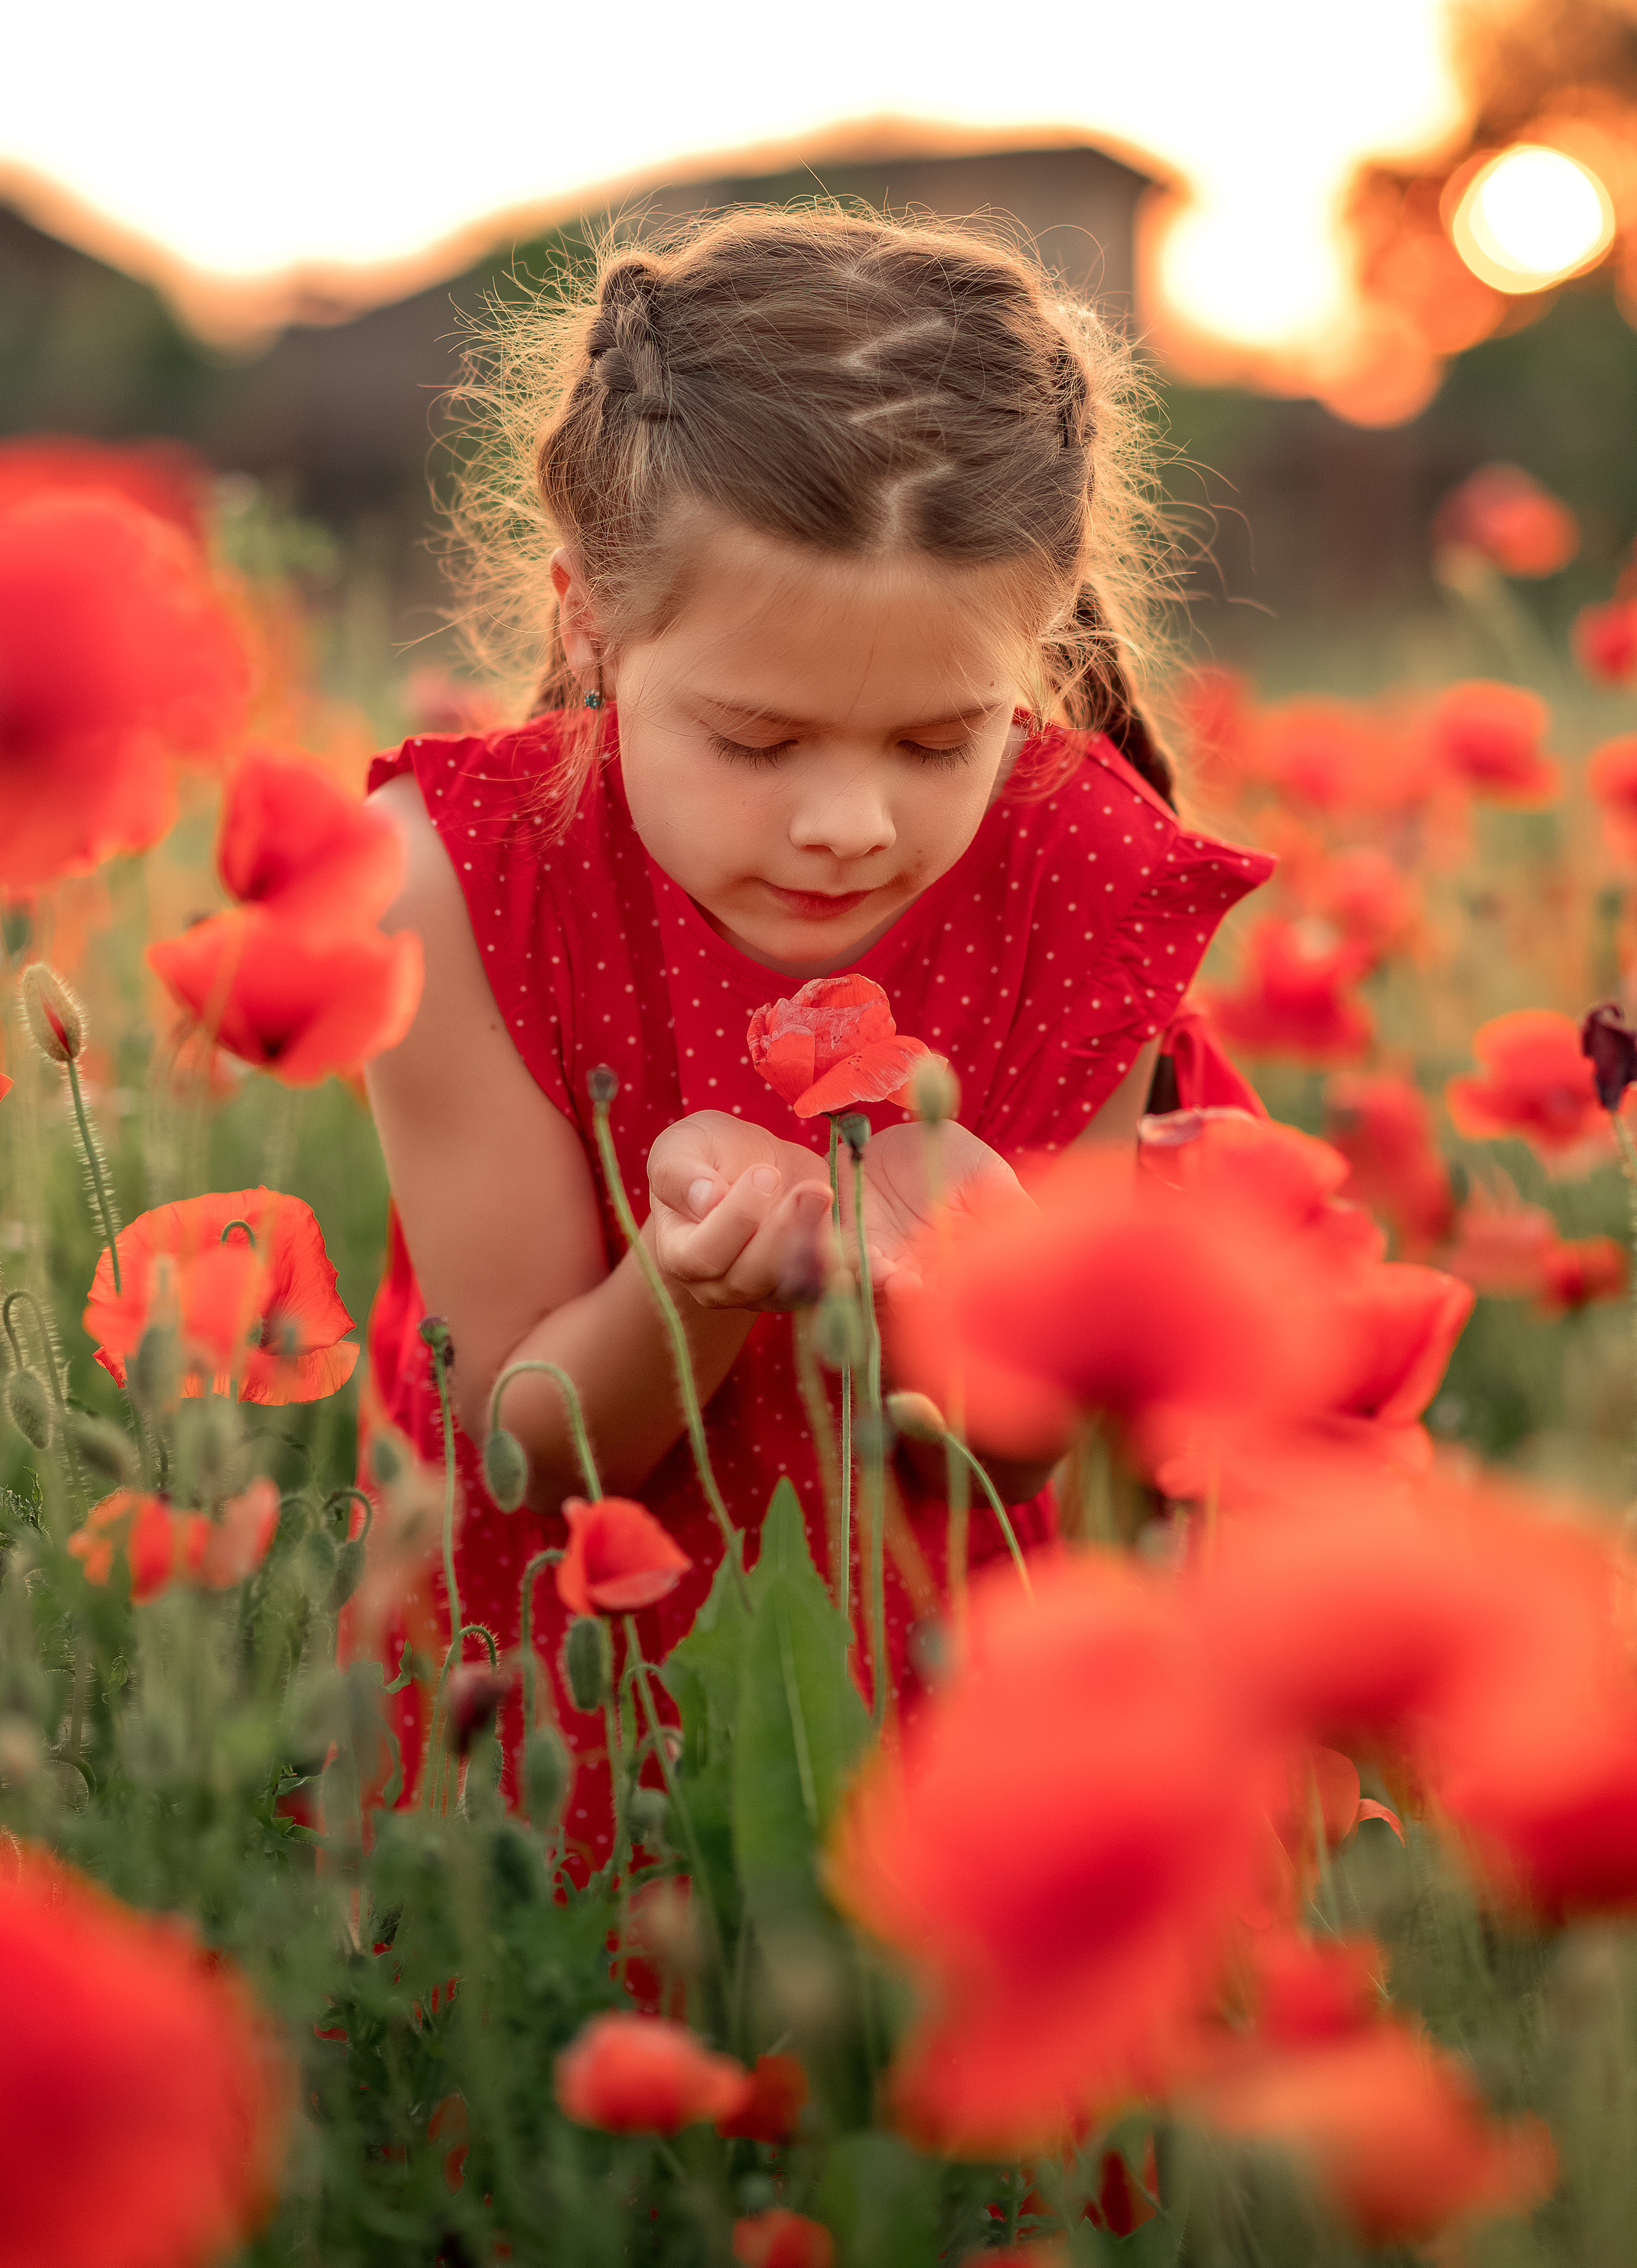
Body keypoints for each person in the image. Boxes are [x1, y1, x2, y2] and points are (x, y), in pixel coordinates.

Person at [361, 205, 1270, 1854]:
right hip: (569, 1708)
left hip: (955, 1711)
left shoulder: (1081, 872)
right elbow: (512, 1451)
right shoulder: (450, 885)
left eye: (935, 739)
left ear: (1037, 648)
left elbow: (1036, 1454)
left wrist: (968, 1292)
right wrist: (688, 1292)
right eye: (755, 738)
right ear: (587, 626)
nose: (846, 821)